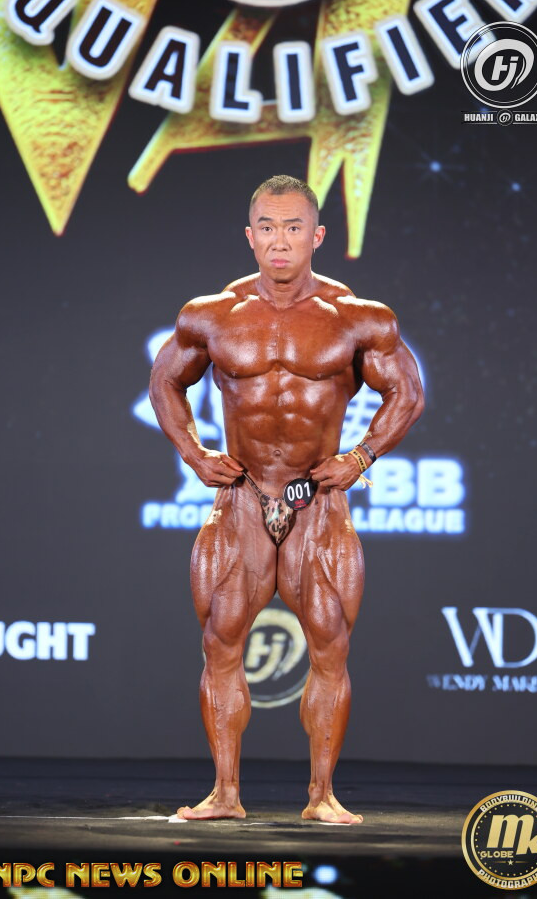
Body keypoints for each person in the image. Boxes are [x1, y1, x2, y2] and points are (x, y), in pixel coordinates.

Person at [149, 174, 424, 824]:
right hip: (242, 498)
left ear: (317, 236)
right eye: (268, 228)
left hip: (315, 502)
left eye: (293, 227)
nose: (280, 240)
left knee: (330, 644)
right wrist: (193, 453)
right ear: (250, 237)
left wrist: (360, 457)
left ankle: (321, 796)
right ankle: (225, 794)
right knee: (220, 641)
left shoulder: (357, 317)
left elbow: (407, 393)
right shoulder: (211, 314)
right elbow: (165, 382)